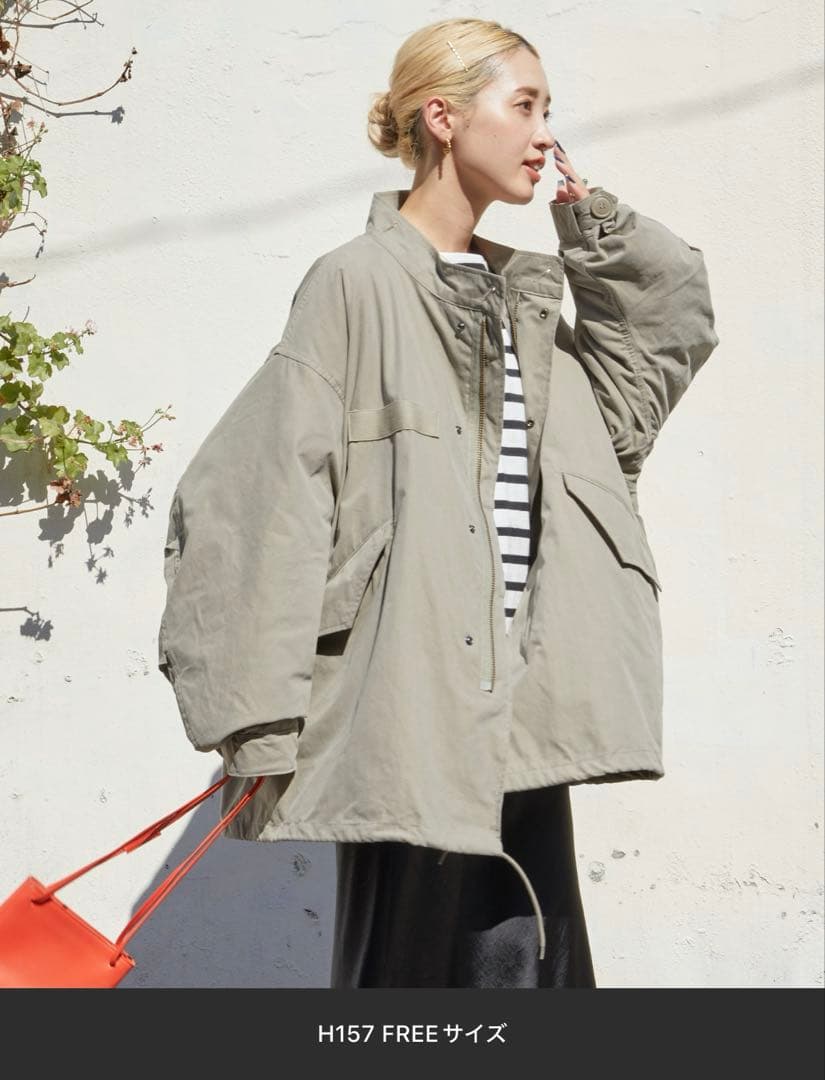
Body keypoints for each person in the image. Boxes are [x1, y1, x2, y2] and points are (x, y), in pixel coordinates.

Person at [157, 17, 719, 989]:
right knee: (410, 989)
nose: (545, 134)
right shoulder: (355, 286)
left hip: (523, 705)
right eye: (525, 106)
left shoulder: (524, 303)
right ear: (443, 117)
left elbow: (661, 342)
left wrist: (596, 227)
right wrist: (259, 722)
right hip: (406, 709)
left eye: (549, 110)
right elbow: (257, 504)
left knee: (536, 978)